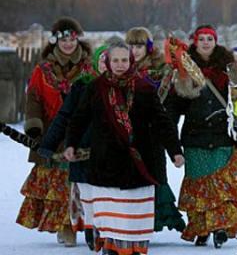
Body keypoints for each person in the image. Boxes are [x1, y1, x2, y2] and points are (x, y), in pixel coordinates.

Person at [63, 41, 184, 255]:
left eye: (124, 60)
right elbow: (79, 118)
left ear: (131, 61)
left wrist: (174, 151)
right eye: (115, 60)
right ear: (109, 62)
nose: (120, 64)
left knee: (134, 216)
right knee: (110, 216)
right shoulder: (96, 88)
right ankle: (110, 248)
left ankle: (134, 249)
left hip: (138, 163)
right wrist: (71, 144)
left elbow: (162, 121)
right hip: (105, 162)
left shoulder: (144, 88)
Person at [164, 24, 237, 247]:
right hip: (196, 138)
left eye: (209, 39)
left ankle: (220, 228)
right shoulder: (183, 70)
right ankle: (202, 228)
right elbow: (172, 110)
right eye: (201, 39)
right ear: (195, 42)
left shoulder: (227, 68)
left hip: (224, 136)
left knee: (223, 185)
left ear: (216, 42)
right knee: (200, 186)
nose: (205, 42)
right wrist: (172, 147)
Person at [17, 16, 92, 247]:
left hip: (83, 133)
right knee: (59, 185)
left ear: (78, 39)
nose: (68, 44)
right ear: (55, 42)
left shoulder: (90, 67)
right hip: (53, 133)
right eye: (63, 40)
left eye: (72, 39)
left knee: (84, 185)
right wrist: (34, 125)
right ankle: (65, 226)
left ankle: (88, 225)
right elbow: (34, 98)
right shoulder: (43, 69)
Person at [37, 38, 116, 251]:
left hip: (112, 153)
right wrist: (49, 143)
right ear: (97, 63)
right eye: (103, 60)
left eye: (111, 61)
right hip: (83, 151)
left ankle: (106, 230)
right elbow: (64, 116)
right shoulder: (81, 86)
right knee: (87, 194)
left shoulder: (124, 87)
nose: (106, 65)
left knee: (108, 194)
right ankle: (91, 227)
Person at [125, 26, 186, 233]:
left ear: (148, 47)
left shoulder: (161, 72)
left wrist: (173, 146)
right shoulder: (123, 69)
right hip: (129, 134)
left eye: (139, 45)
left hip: (154, 133)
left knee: (156, 176)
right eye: (132, 46)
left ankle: (156, 219)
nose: (135, 50)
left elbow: (169, 107)